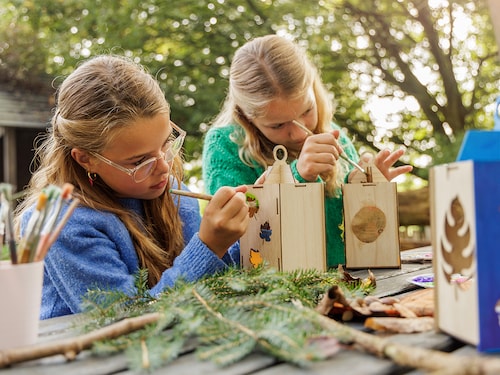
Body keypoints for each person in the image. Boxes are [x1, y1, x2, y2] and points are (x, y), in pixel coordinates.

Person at [14, 55, 250, 319]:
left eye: (166, 144)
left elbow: (208, 288)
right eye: (139, 161)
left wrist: (251, 229)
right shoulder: (62, 223)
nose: (163, 167)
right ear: (86, 159)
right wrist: (208, 246)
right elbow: (123, 320)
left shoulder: (173, 194)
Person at [202, 34, 412, 268]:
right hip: (276, 293)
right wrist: (296, 177)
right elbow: (237, 245)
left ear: (313, 89)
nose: (299, 133)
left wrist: (362, 189)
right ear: (246, 117)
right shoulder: (224, 146)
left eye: (306, 111)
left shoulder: (334, 134)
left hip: (351, 282)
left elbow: (350, 233)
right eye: (278, 125)